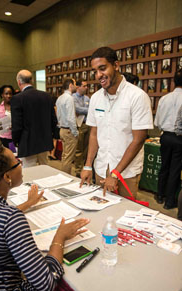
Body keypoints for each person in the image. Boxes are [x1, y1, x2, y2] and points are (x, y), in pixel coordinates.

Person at [0, 141, 90, 291]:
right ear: (7, 177)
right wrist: (59, 238)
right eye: (17, 162)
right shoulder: (10, 219)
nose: (20, 164)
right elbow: (46, 284)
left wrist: (27, 204)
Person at [80, 46, 153, 198]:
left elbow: (138, 139)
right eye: (95, 71)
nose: (99, 75)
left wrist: (115, 174)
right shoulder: (96, 98)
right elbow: (94, 134)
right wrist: (88, 165)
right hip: (101, 167)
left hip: (126, 172)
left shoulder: (137, 96)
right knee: (102, 211)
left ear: (116, 65)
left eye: (102, 68)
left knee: (124, 215)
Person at [11, 70, 57, 167]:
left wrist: (15, 141)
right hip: (44, 141)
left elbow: (17, 124)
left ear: (19, 82)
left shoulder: (17, 98)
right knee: (45, 169)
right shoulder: (46, 96)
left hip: (27, 142)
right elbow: (53, 120)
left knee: (29, 171)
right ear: (32, 81)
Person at [154, 69, 182, 209]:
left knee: (164, 166)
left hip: (165, 136)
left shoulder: (164, 98)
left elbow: (157, 122)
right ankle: (169, 201)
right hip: (179, 138)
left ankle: (160, 195)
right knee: (175, 169)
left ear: (173, 81)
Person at [56, 78, 79, 174]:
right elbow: (71, 117)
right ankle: (66, 177)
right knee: (68, 158)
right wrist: (75, 132)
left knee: (65, 156)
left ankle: (64, 175)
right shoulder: (69, 98)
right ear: (70, 86)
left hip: (62, 129)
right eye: (75, 84)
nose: (76, 86)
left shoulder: (60, 98)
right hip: (69, 131)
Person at [72, 79, 90, 177]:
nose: (86, 88)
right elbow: (77, 109)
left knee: (87, 149)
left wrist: (86, 110)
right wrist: (89, 109)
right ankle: (78, 170)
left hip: (88, 124)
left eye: (87, 86)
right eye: (84, 86)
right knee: (79, 149)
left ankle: (85, 168)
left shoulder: (87, 98)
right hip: (79, 125)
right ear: (78, 87)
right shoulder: (73, 97)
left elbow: (91, 108)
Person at [0, 85, 15, 150]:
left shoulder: (16, 107)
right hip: (4, 137)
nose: (9, 96)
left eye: (10, 94)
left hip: (14, 136)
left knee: (14, 154)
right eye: (6, 94)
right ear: (2, 95)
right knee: (6, 155)